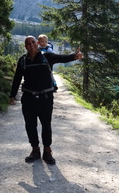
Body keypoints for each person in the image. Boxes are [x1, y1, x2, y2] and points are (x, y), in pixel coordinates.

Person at [9, 35, 82, 165]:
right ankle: (35, 150)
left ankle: (47, 151)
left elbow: (61, 58)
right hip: (28, 97)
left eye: (33, 42)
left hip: (45, 97)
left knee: (46, 125)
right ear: (25, 46)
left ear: (37, 43)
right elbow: (17, 78)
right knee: (30, 125)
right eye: (28, 43)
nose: (31, 45)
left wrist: (74, 56)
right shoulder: (23, 60)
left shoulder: (46, 57)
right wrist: (12, 95)